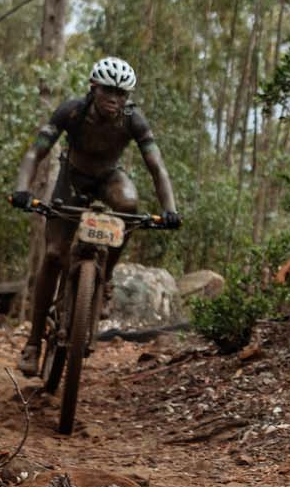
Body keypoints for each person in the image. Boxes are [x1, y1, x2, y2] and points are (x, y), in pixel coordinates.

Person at [9, 57, 181, 374]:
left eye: (121, 93)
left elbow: (157, 167)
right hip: (72, 178)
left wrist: (169, 209)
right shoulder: (71, 111)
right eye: (107, 91)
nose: (114, 99)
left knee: (129, 205)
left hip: (109, 178)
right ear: (93, 88)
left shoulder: (134, 121)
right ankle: (33, 343)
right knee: (53, 254)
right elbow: (36, 151)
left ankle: (107, 276)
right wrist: (22, 189)